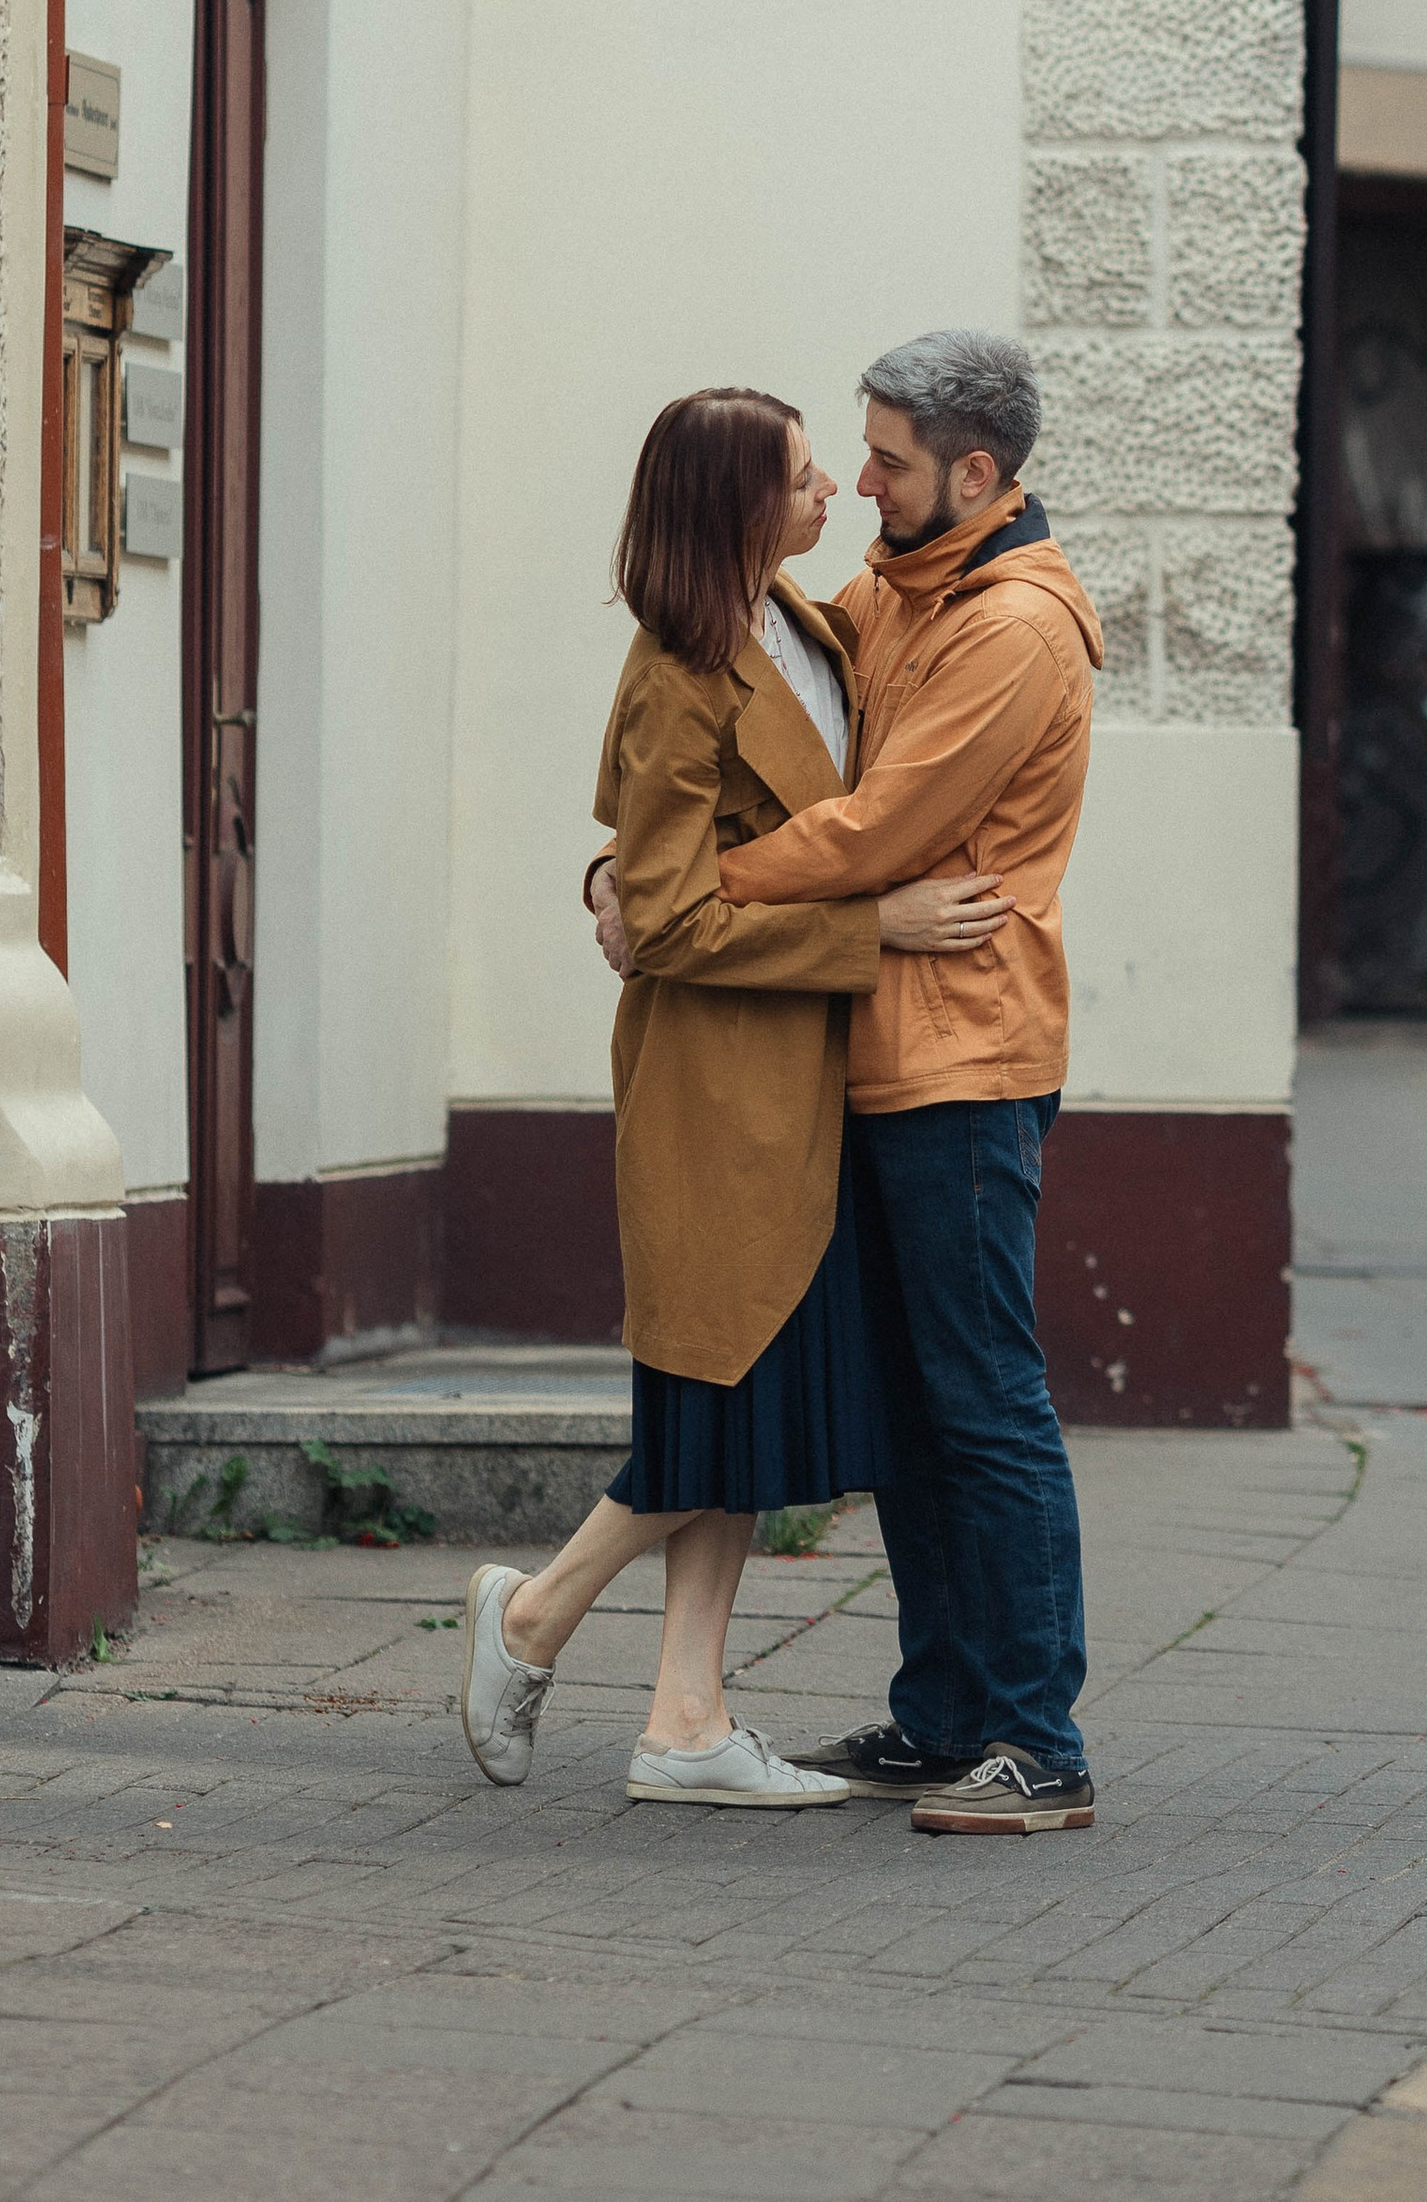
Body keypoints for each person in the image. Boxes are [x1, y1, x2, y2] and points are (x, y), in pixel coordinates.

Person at [460, 385, 1006, 1811]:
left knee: (747, 1407)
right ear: (737, 509)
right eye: (805, 477)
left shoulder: (803, 623)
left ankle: (686, 1721)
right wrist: (872, 930)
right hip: (717, 1090)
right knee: (721, 1402)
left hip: (801, 1083)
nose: (833, 494)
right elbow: (669, 919)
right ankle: (535, 1619)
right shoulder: (676, 675)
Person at [593, 330, 1103, 1834]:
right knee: (916, 1412)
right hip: (866, 1056)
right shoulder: (899, 586)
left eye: (886, 461)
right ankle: (942, 1715)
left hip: (963, 1057)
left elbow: (876, 828)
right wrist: (626, 868)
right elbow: (735, 709)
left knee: (986, 1402)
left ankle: (1037, 1742)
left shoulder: (1012, 630)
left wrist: (684, 893)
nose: (861, 484)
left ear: (977, 474)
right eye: (852, 458)